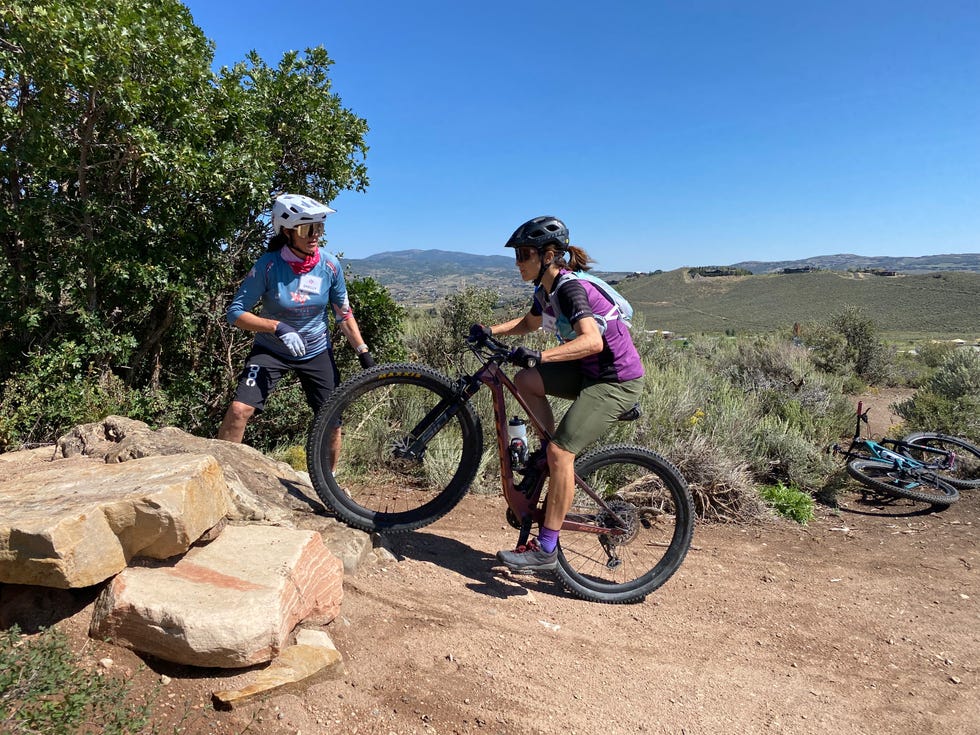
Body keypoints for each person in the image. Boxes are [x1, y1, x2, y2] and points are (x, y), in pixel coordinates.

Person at [472, 216, 645, 572]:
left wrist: (542, 355)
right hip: (588, 372)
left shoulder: (569, 289)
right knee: (526, 380)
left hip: (615, 381)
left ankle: (546, 549)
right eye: (517, 255)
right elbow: (530, 323)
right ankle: (547, 454)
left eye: (523, 254)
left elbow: (592, 340)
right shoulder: (545, 290)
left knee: (560, 453)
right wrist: (490, 330)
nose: (518, 261)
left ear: (548, 255)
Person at [217, 193, 375, 462]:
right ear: (287, 231)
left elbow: (344, 315)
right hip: (272, 350)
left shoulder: (329, 265)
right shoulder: (268, 265)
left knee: (332, 422)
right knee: (239, 409)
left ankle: (331, 491)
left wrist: (363, 352)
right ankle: (218, 469)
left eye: (319, 227)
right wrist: (277, 326)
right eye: (307, 228)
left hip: (315, 351)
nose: (315, 235)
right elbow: (235, 313)